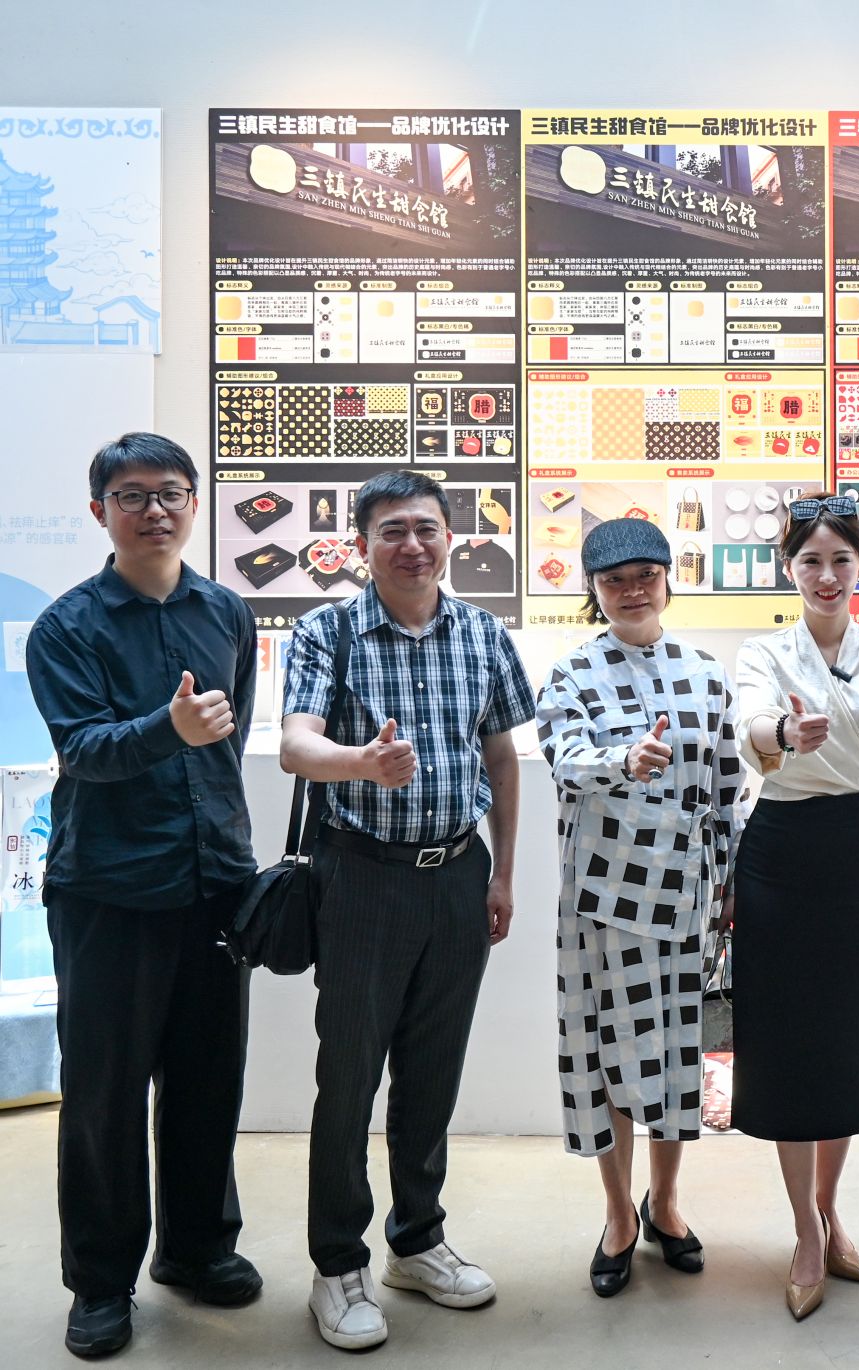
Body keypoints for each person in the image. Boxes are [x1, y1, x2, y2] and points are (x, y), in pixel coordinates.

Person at [279, 470, 534, 1351]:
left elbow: (501, 757)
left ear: (450, 539)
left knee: (432, 1074)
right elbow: (295, 745)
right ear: (362, 545)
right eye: (391, 531)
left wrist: (503, 874)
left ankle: (417, 1243)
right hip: (361, 878)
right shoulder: (327, 632)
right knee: (349, 1078)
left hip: (458, 876)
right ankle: (336, 1264)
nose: (412, 545)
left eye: (426, 528)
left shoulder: (483, 633)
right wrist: (360, 762)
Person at [26, 434, 261, 1359]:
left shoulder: (227, 611)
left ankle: (196, 1250)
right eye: (132, 496)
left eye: (170, 492)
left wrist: (225, 838)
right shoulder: (67, 626)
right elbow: (82, 750)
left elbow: (229, 742)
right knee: (105, 1095)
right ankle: (100, 1283)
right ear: (101, 512)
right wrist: (168, 728)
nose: (154, 510)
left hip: (213, 885)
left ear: (195, 503)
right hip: (109, 892)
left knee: (208, 1081)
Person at [730, 491, 859, 1320]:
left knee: (848, 1037)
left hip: (854, 849)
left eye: (840, 560)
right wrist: (783, 736)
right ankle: (804, 1233)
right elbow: (750, 726)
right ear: (789, 568)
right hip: (776, 850)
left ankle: (829, 1207)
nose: (825, 576)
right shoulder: (763, 651)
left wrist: (857, 813)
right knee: (785, 1042)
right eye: (809, 561)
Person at [535, 520, 742, 1300]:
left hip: (687, 893)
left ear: (667, 580)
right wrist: (623, 758)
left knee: (676, 1054)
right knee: (607, 1058)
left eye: (645, 575)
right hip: (605, 897)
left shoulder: (704, 671)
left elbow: (728, 785)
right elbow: (565, 758)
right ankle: (619, 1214)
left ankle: (668, 1202)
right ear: (594, 591)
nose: (631, 590)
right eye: (614, 580)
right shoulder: (573, 672)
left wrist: (730, 882)